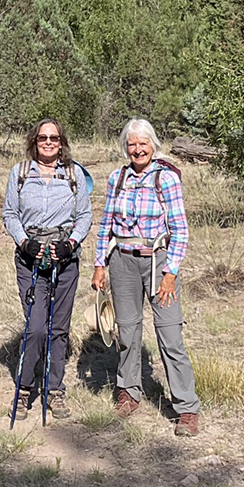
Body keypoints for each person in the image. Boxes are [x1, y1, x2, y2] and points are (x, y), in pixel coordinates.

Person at [92, 118, 201, 436]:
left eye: (143, 143)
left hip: (159, 263)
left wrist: (171, 274)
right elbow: (106, 223)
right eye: (131, 144)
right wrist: (100, 265)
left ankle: (186, 408)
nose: (137, 149)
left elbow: (180, 230)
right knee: (126, 333)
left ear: (153, 145)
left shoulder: (166, 178)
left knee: (170, 336)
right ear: (125, 147)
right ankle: (128, 392)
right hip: (122, 262)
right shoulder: (118, 177)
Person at [2, 118, 92, 420]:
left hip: (65, 260)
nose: (49, 142)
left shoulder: (74, 174)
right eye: (43, 138)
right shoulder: (20, 173)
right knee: (36, 327)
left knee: (59, 328)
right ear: (34, 141)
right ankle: (24, 388)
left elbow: (85, 216)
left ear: (62, 141)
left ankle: (55, 391)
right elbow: (10, 214)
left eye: (54, 138)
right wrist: (24, 241)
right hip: (31, 260)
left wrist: (71, 242)